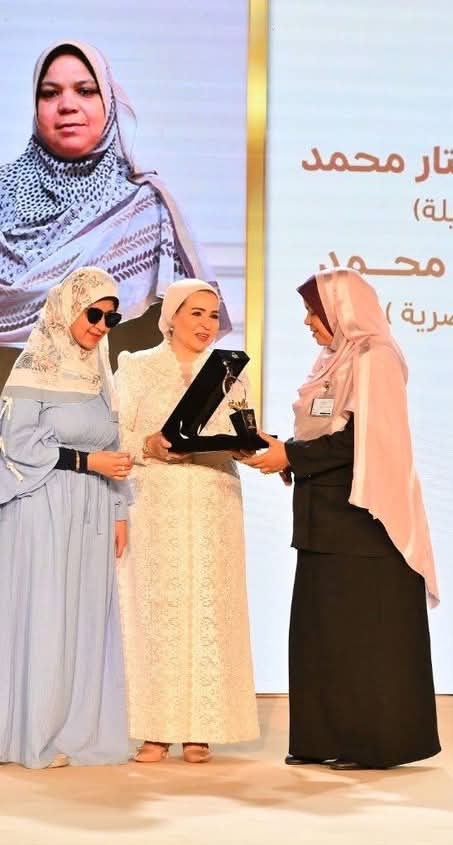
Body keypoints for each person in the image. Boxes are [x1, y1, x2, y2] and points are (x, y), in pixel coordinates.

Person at [241, 267, 441, 770]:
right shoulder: (333, 361)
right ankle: (322, 739)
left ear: (342, 311)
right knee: (321, 635)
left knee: (359, 638)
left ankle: (368, 744)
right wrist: (280, 450)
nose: (309, 321)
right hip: (323, 519)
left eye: (315, 311)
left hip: (363, 525)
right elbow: (324, 435)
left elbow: (362, 440)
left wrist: (291, 456)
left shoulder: (375, 358)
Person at [0, 40, 209, 414]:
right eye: (50, 93)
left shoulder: (146, 208)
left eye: (85, 90)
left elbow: (172, 344)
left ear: (108, 102)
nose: (67, 105)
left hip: (111, 418)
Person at [0, 266, 133, 769]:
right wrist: (88, 463)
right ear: (68, 309)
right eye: (93, 314)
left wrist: (119, 509)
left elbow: (113, 446)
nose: (101, 326)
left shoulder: (98, 374)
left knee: (84, 619)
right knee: (47, 613)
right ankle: (34, 735)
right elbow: (18, 444)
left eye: (111, 318)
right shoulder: (35, 365)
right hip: (43, 505)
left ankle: (71, 729)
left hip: (92, 508)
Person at [114, 279, 258, 764]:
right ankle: (154, 730)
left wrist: (247, 446)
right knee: (157, 612)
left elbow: (241, 429)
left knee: (210, 610)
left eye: (213, 315)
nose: (206, 324)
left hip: (214, 501)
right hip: (156, 503)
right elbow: (117, 433)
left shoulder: (229, 373)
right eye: (195, 313)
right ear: (171, 317)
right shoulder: (137, 367)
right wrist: (148, 445)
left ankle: (201, 729)